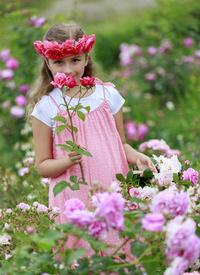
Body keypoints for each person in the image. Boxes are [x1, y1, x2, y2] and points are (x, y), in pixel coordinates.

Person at [27, 22, 156, 259]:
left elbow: (121, 143)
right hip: (73, 198)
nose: (68, 69)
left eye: (75, 60)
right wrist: (67, 160)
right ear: (48, 63)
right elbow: (42, 166)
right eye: (59, 62)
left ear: (86, 58)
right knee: (84, 264)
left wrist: (136, 156)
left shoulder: (108, 95)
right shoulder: (47, 107)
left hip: (111, 190)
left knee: (118, 257)